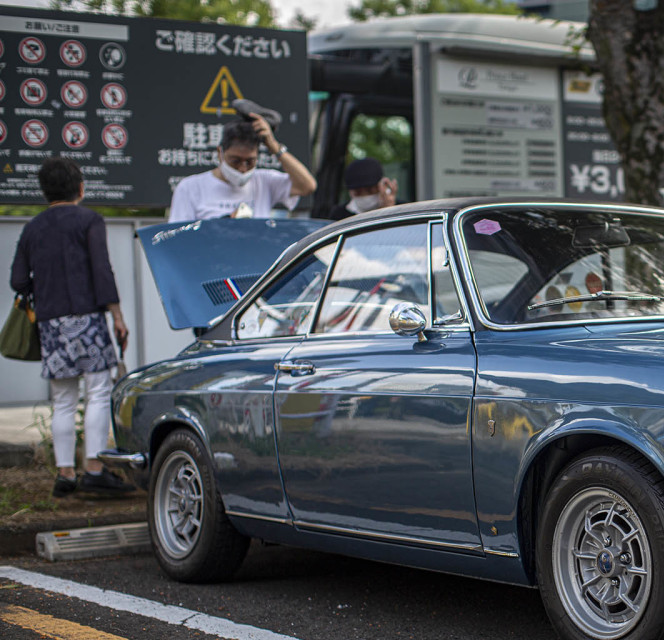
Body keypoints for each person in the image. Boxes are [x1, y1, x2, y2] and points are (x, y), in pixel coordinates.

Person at [9, 157, 134, 497]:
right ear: (81, 188)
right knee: (98, 392)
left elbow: (18, 280)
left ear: (44, 192)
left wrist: (43, 291)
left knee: (62, 399)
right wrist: (117, 316)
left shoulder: (32, 228)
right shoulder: (89, 220)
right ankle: (94, 468)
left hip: (50, 322)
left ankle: (65, 474)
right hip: (88, 318)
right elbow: (101, 270)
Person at [168, 109, 316, 222]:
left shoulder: (264, 181)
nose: (242, 169)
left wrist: (274, 147)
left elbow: (307, 186)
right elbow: (178, 238)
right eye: (235, 161)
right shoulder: (190, 187)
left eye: (250, 162)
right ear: (220, 153)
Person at [328, 158, 396, 220]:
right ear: (350, 192)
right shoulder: (339, 214)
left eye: (370, 190)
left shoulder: (399, 208)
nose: (365, 196)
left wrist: (388, 210)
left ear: (382, 186)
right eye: (358, 192)